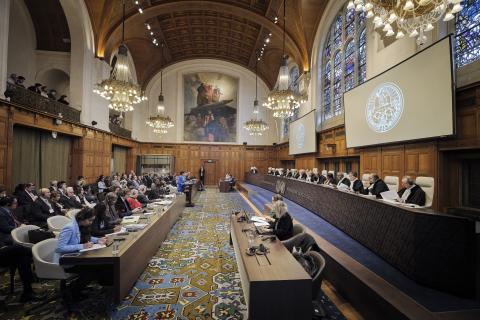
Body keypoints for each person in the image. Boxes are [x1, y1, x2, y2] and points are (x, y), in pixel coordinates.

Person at [55, 207, 109, 298]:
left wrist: (98, 240)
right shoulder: (69, 228)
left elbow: (86, 238)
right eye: (90, 220)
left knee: (100, 265)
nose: (91, 223)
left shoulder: (82, 226)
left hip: (79, 256)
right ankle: (72, 291)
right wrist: (82, 246)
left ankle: (80, 287)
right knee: (92, 269)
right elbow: (60, 248)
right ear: (82, 218)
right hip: (68, 260)